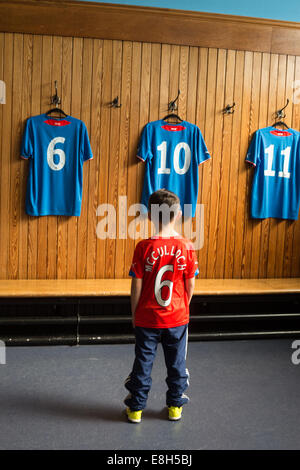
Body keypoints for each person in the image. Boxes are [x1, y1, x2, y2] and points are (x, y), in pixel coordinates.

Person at [124, 189, 198, 423]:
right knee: (177, 363)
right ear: (177, 216)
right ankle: (175, 405)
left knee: (143, 362)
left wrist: (135, 314)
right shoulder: (187, 246)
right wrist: (184, 306)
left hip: (147, 317)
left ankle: (136, 409)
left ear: (149, 217)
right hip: (177, 317)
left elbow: (136, 285)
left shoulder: (143, 247)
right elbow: (190, 283)